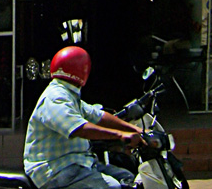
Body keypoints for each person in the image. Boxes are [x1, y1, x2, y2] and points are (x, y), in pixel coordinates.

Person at [24, 46, 143, 189]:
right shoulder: (55, 97)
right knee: (113, 187)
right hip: (56, 169)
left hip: (78, 163)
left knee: (128, 178)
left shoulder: (69, 95)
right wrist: (120, 135)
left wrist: (137, 130)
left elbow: (98, 115)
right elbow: (80, 129)